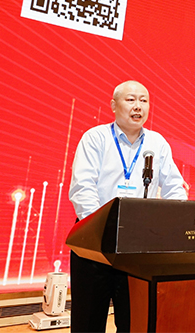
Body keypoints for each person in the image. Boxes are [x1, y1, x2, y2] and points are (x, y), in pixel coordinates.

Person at [68, 80, 187, 332]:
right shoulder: (96, 138)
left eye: (144, 100)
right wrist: (100, 230)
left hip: (138, 245)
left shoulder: (157, 143)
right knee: (88, 322)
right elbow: (83, 187)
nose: (138, 106)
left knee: (134, 322)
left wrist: (174, 224)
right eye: (131, 99)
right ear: (113, 105)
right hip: (94, 244)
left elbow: (175, 187)